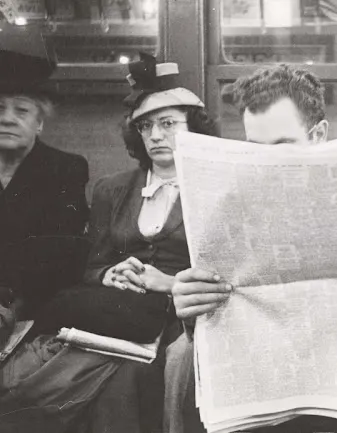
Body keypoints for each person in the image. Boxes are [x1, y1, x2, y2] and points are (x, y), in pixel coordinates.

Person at [165, 63, 337, 433]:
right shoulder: (223, 192)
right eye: (254, 148)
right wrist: (191, 305)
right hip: (257, 333)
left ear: (319, 134)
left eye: (282, 146)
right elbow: (211, 299)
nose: (265, 163)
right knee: (182, 356)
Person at [31, 53, 220, 433]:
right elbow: (89, 266)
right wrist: (108, 274)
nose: (155, 135)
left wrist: (165, 282)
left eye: (168, 123)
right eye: (145, 126)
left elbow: (225, 275)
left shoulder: (217, 188)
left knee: (136, 379)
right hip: (114, 314)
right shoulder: (112, 189)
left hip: (181, 321)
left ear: (195, 127)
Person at [0, 39, 119, 433]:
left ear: (40, 122)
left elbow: (56, 255)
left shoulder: (64, 169)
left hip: (29, 306)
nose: (7, 118)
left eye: (21, 110)